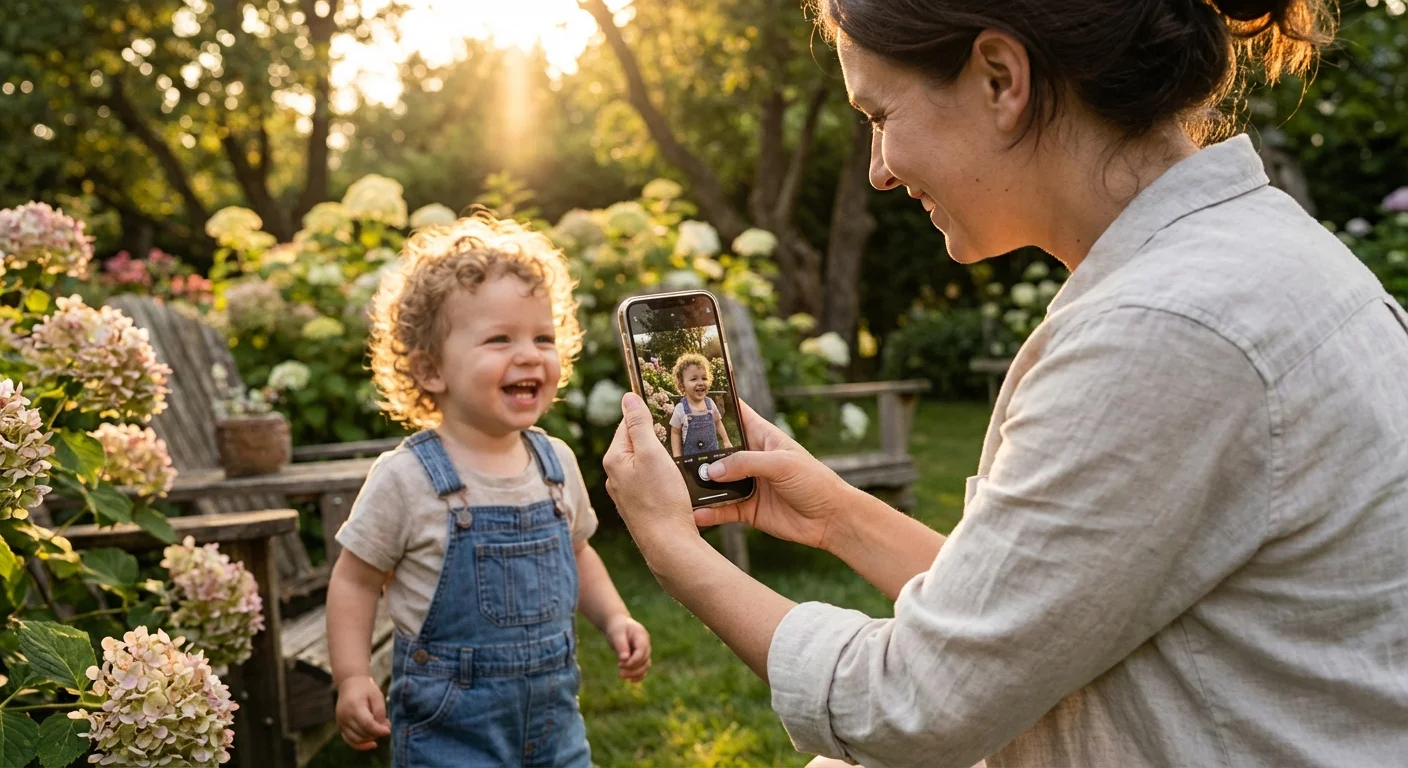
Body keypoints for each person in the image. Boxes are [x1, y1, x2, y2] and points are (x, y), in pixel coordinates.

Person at [602, 0, 1408, 766]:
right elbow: (1041, 611)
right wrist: (836, 516)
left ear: (999, 78)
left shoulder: (1165, 328)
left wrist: (673, 549)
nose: (879, 169)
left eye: (879, 116)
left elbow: (915, 705)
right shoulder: (1241, 260)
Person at [326, 213, 651, 767]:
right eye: (500, 339)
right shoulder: (407, 478)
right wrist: (353, 675)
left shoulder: (556, 464)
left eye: (543, 338)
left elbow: (578, 554)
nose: (529, 354)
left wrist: (615, 617)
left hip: (554, 726)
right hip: (448, 730)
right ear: (431, 370)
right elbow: (355, 582)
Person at [669, 352, 733, 457]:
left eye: (704, 378)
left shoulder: (710, 404)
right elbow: (675, 432)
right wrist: (677, 456)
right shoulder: (680, 409)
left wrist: (726, 440)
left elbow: (717, 422)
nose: (700, 382)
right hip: (691, 458)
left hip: (713, 453)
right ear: (682, 384)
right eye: (694, 379)